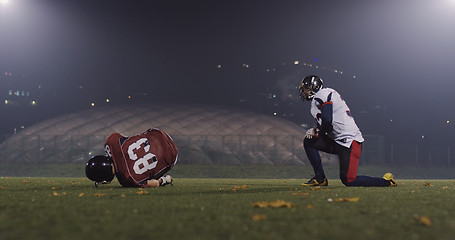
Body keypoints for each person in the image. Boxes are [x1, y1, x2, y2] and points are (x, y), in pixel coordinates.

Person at [298, 75, 397, 187]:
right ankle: (320, 178)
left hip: (350, 142)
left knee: (349, 180)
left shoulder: (323, 94)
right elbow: (324, 123)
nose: (305, 91)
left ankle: (387, 181)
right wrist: (316, 130)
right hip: (337, 140)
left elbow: (327, 122)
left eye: (306, 88)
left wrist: (318, 132)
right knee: (309, 141)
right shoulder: (317, 101)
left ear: (314, 86)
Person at [86, 128, 178, 187]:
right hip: (159, 134)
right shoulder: (111, 142)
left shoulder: (126, 179)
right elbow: (119, 136)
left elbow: (154, 184)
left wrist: (162, 181)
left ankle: (164, 179)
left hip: (171, 156)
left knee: (146, 179)